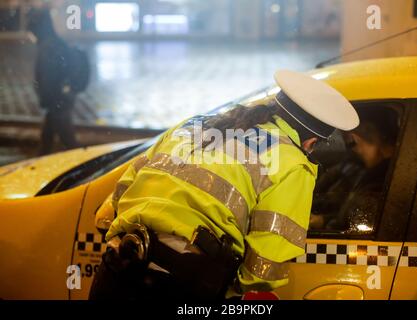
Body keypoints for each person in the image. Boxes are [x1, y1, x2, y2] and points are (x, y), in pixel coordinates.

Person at [89, 70, 360, 300]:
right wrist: (233, 288)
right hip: (180, 286)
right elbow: (265, 266)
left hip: (115, 269)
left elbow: (116, 199)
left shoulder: (193, 125)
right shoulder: (292, 163)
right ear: (311, 142)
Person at [310, 107, 399, 231]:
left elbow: (361, 225)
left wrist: (324, 223)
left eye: (348, 143)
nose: (352, 151)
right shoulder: (388, 171)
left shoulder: (383, 180)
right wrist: (324, 220)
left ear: (354, 138)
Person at [27, 8, 80, 155]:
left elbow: (48, 78)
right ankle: (39, 164)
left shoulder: (48, 47)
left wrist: (46, 99)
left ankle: (86, 167)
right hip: (59, 101)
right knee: (47, 139)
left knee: (68, 142)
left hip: (58, 102)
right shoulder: (54, 43)